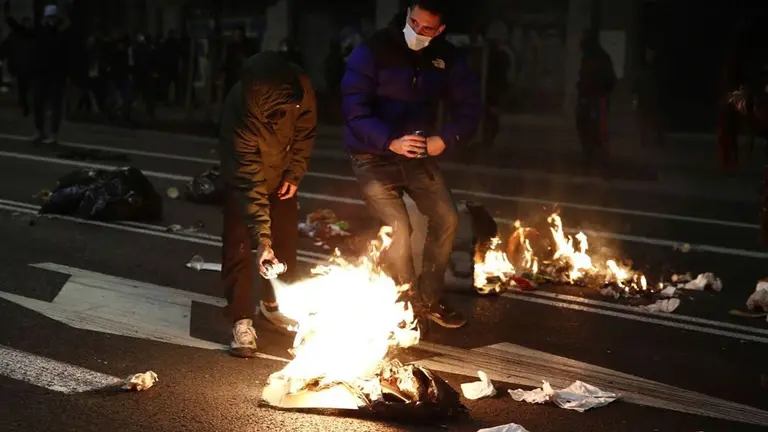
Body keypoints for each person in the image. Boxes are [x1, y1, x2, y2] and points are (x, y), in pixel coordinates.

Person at [341, 0, 482, 329]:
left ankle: (430, 300)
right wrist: (389, 140)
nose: (417, 32)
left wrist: (444, 139)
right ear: (407, 15)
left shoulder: (446, 57)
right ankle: (406, 302)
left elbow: (470, 107)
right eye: (413, 23)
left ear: (440, 30)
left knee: (447, 216)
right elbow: (354, 110)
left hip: (418, 153)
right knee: (399, 228)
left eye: (427, 28)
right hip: (372, 155)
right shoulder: (371, 51)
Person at [218, 51, 317, 358]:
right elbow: (249, 179)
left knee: (285, 242)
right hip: (245, 179)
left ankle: (272, 307)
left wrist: (294, 172)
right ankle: (242, 319)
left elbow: (305, 132)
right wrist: (262, 239)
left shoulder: (300, 88)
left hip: (283, 172)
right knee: (240, 244)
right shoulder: (241, 111)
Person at [575, 29, 616, 171]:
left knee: (598, 130)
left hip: (597, 98)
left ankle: (602, 161)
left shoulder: (599, 57)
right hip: (589, 98)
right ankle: (590, 156)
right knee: (585, 126)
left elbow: (609, 80)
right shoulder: (588, 57)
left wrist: (598, 91)